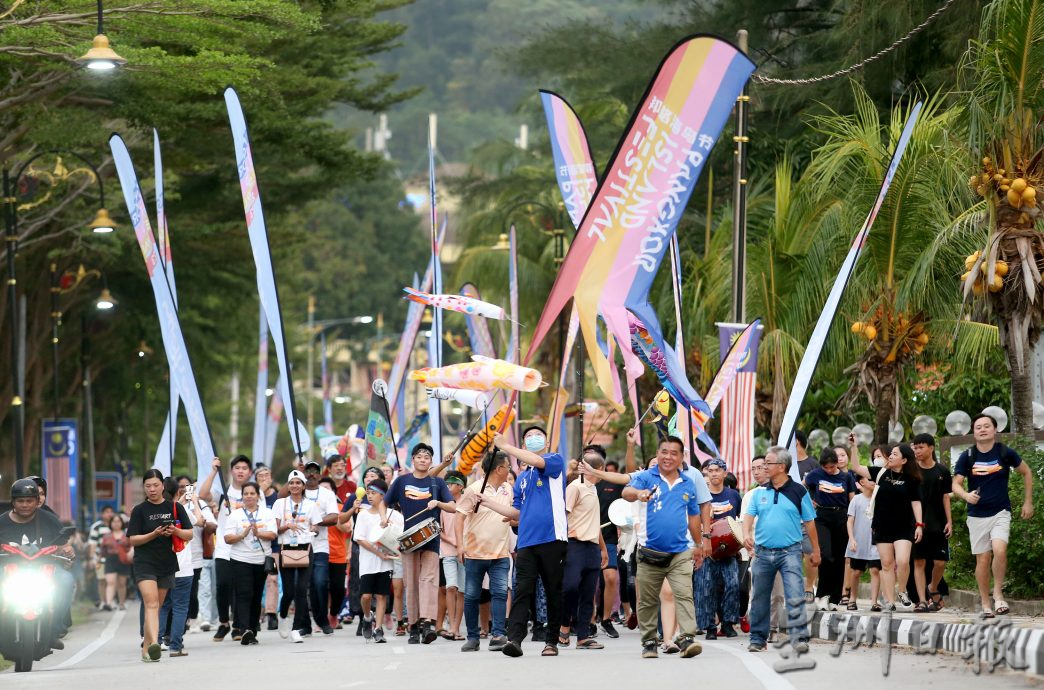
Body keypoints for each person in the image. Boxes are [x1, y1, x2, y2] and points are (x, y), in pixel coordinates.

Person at [474, 427, 567, 658]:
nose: (535, 438)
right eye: (529, 436)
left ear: (546, 441)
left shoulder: (553, 461)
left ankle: (552, 641)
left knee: (553, 590)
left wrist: (505, 446)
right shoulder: (523, 478)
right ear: (523, 444)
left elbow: (536, 460)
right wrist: (487, 501)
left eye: (539, 434)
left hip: (552, 537)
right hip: (526, 541)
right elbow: (515, 511)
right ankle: (515, 639)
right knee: (521, 591)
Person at [621, 435, 711, 659]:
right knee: (648, 601)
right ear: (658, 453)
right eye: (664, 451)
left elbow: (693, 517)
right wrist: (639, 494)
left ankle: (687, 638)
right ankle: (650, 642)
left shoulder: (688, 483)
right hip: (650, 551)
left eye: (674, 453)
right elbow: (626, 492)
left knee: (684, 594)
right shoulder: (646, 477)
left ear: (681, 458)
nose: (668, 457)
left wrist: (699, 544)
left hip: (680, 551)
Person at [953, 413, 1034, 617]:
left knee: (999, 550)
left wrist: (1027, 501)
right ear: (974, 432)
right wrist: (965, 495)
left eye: (986, 426)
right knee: (983, 559)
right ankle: (985, 601)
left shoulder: (1005, 452)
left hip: (1001, 511)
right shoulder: (968, 456)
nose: (982, 429)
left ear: (995, 430)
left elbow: (1027, 472)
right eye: (978, 427)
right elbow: (955, 484)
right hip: (977, 515)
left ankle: (998, 594)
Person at [743, 446, 819, 654]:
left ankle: (799, 638)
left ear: (782, 467)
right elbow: (749, 515)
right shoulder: (760, 493)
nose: (764, 466)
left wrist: (815, 550)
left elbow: (810, 522)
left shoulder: (799, 491)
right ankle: (758, 639)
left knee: (795, 593)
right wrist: (746, 533)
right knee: (759, 596)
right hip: (762, 552)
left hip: (790, 552)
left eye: (768, 463)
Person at [384, 443, 456, 644]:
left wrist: (438, 503)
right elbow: (385, 502)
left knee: (429, 580)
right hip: (409, 539)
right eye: (419, 456)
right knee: (412, 582)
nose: (423, 459)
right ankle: (413, 625)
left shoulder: (438, 483)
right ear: (413, 459)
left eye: (427, 457)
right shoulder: (401, 481)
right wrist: (383, 518)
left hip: (431, 539)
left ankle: (427, 623)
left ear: (430, 461)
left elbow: (452, 507)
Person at [0, 477, 74, 652]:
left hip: (45, 570)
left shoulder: (50, 519)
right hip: (8, 571)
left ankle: (53, 630)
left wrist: (68, 553)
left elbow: (65, 545)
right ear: (13, 502)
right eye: (20, 501)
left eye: (29, 500)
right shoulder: (1, 522)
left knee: (66, 581)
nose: (25, 504)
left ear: (37, 501)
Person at [128, 470, 193, 662]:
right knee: (151, 603)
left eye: (155, 485)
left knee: (156, 607)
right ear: (144, 488)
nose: (152, 489)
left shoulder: (174, 507)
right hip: (144, 563)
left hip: (166, 563)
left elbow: (189, 534)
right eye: (148, 486)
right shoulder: (139, 511)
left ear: (163, 486)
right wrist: (153, 534)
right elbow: (133, 540)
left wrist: (175, 531)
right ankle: (154, 643)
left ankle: (147, 650)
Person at [455, 451, 513, 652]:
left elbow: (512, 515)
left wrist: (513, 521)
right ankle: (472, 637)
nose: (509, 470)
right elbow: (459, 517)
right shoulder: (473, 489)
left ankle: (498, 634)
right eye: (507, 467)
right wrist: (460, 546)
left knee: (499, 593)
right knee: (472, 595)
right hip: (475, 552)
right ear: (498, 469)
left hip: (500, 553)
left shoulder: (508, 489)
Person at [559, 446, 609, 650]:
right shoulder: (575, 487)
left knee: (589, 592)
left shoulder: (593, 489)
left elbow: (594, 522)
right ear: (598, 468)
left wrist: (603, 548)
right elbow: (562, 515)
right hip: (574, 544)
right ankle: (563, 626)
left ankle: (582, 636)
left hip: (592, 547)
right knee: (570, 587)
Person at [198, 454, 252, 641]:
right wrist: (214, 471)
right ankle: (223, 622)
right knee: (222, 585)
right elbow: (203, 495)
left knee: (240, 588)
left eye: (244, 468)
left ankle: (238, 625)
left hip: (245, 549)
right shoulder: (224, 492)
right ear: (231, 471)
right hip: (223, 547)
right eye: (237, 468)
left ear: (249, 472)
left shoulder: (253, 493)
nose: (240, 471)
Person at [866, 443, 923, 611]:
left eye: (894, 454)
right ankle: (890, 601)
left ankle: (902, 589)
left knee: (903, 561)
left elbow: (916, 503)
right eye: (890, 453)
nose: (890, 456)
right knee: (886, 564)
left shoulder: (911, 479)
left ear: (904, 460)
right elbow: (855, 467)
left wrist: (919, 525)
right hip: (882, 525)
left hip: (904, 526)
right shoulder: (881, 473)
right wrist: (853, 447)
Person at [223, 481, 276, 646]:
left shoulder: (267, 513)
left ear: (258, 496)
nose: (249, 496)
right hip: (240, 559)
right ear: (242, 496)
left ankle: (253, 628)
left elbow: (273, 534)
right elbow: (227, 538)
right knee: (244, 593)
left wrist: (258, 533)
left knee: (256, 595)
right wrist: (242, 534)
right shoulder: (235, 515)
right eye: (246, 494)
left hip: (261, 560)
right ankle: (244, 629)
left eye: (252, 493)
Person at [804, 446, 856, 609]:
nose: (828, 470)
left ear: (836, 464)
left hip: (841, 517)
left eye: (832, 467)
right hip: (822, 518)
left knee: (840, 557)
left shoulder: (846, 477)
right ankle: (822, 594)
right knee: (826, 555)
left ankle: (834, 598)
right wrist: (809, 501)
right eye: (825, 467)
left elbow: (852, 500)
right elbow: (800, 488)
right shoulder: (815, 475)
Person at [273, 469, 322, 643]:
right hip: (286, 548)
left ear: (303, 486)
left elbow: (316, 525)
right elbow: (274, 529)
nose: (295, 486)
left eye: (298, 483)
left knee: (302, 590)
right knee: (288, 591)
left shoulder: (310, 505)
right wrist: (287, 527)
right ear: (288, 485)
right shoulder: (280, 504)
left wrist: (313, 530)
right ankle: (283, 615)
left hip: (305, 548)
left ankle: (296, 629)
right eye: (292, 482)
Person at [696, 458, 742, 640]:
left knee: (733, 584)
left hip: (729, 550)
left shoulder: (733, 495)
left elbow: (736, 521)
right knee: (706, 587)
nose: (714, 473)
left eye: (717, 470)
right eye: (710, 470)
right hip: (707, 549)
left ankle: (728, 623)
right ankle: (709, 627)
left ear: (724, 473)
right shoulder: (701, 496)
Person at [354, 479, 402, 644]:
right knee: (366, 596)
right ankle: (368, 617)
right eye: (368, 492)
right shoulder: (363, 514)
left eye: (373, 493)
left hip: (386, 562)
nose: (370, 496)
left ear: (383, 495)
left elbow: (399, 537)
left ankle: (378, 629)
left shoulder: (393, 515)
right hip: (368, 561)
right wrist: (378, 553)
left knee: (382, 596)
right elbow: (359, 539)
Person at [910, 433, 951, 612]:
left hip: (939, 523)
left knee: (940, 562)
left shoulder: (942, 471)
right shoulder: (911, 471)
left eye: (921, 447)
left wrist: (950, 521)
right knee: (919, 562)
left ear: (931, 448)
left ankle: (933, 587)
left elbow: (945, 497)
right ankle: (921, 600)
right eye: (915, 447)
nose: (917, 451)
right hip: (917, 524)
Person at [596, 434, 629, 638]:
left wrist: (631, 445)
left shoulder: (613, 483)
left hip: (607, 539)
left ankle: (606, 619)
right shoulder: (577, 483)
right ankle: (588, 621)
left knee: (610, 578)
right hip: (583, 538)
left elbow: (631, 473)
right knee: (589, 583)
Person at [159, 479, 195, 657]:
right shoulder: (179, 509)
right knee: (180, 607)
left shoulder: (152, 510)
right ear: (177, 492)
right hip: (183, 566)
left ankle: (156, 642)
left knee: (162, 606)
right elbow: (192, 532)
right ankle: (175, 646)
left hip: (161, 566)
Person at [181, 481, 216, 633]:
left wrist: (195, 502)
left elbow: (207, 524)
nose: (186, 490)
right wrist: (181, 502)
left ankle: (193, 619)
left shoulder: (201, 504)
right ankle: (181, 621)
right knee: (178, 591)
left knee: (192, 591)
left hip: (195, 555)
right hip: (177, 555)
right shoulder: (174, 505)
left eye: (189, 488)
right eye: (182, 488)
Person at [845, 475, 881, 611]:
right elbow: (850, 521)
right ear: (862, 482)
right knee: (856, 572)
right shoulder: (856, 499)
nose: (873, 482)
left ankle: (874, 602)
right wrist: (852, 539)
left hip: (875, 542)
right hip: (859, 541)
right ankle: (852, 598)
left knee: (875, 570)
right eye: (870, 479)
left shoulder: (879, 499)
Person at [439, 471, 466, 641]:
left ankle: (456, 626)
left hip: (464, 551)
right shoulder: (443, 506)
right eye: (446, 484)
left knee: (462, 590)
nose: (448, 487)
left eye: (451, 484)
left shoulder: (467, 503)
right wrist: (452, 541)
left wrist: (461, 544)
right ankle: (450, 625)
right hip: (448, 551)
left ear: (460, 486)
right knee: (451, 587)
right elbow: (439, 530)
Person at [255, 465, 281, 631]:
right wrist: (259, 492)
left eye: (267, 475)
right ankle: (256, 613)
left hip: (273, 546)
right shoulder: (253, 499)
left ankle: (272, 613)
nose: (264, 478)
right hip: (255, 546)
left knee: (272, 579)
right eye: (260, 476)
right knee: (256, 581)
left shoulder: (277, 499)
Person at [100, 513, 132, 611]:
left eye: (118, 521)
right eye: (114, 521)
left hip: (123, 559)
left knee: (122, 583)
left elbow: (131, 546)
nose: (116, 524)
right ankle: (109, 603)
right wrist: (99, 559)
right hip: (110, 559)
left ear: (122, 523)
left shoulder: (127, 534)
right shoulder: (106, 536)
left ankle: (121, 603)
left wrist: (130, 553)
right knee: (110, 581)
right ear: (111, 523)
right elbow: (102, 550)